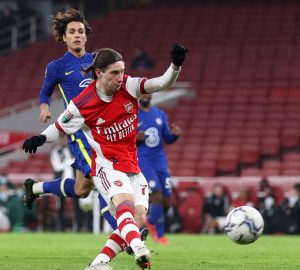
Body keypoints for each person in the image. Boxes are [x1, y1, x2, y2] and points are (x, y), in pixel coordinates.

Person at [21, 44, 188, 269]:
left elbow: (162, 82)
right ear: (99, 73)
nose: (121, 77)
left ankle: (98, 263)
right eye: (114, 73)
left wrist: (175, 65)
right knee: (125, 208)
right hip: (106, 167)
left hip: (132, 166)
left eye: (122, 71)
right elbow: (60, 127)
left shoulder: (129, 86)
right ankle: (140, 249)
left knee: (137, 218)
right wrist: (40, 138)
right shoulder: (82, 103)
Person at [22, 8, 118, 232]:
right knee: (99, 177)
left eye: (80, 31)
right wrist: (44, 109)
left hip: (102, 131)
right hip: (79, 132)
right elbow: (44, 92)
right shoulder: (56, 66)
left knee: (81, 189)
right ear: (63, 37)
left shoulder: (97, 61)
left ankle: (34, 189)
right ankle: (125, 234)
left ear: (86, 36)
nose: (77, 35)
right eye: (72, 32)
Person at [136, 94, 181, 244]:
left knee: (167, 199)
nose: (145, 95)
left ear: (151, 95)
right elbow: (123, 139)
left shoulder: (160, 114)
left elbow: (167, 137)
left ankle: (149, 220)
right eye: (142, 92)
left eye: (147, 92)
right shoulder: (133, 115)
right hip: (144, 161)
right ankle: (159, 233)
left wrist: (175, 135)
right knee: (157, 194)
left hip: (160, 162)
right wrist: (135, 138)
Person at [50, 136, 77, 231]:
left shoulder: (73, 149)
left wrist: (66, 163)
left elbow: (78, 162)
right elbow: (57, 167)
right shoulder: (56, 151)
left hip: (75, 181)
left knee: (77, 206)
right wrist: (70, 162)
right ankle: (61, 228)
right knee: (61, 206)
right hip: (61, 181)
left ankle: (78, 227)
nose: (65, 141)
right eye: (63, 139)